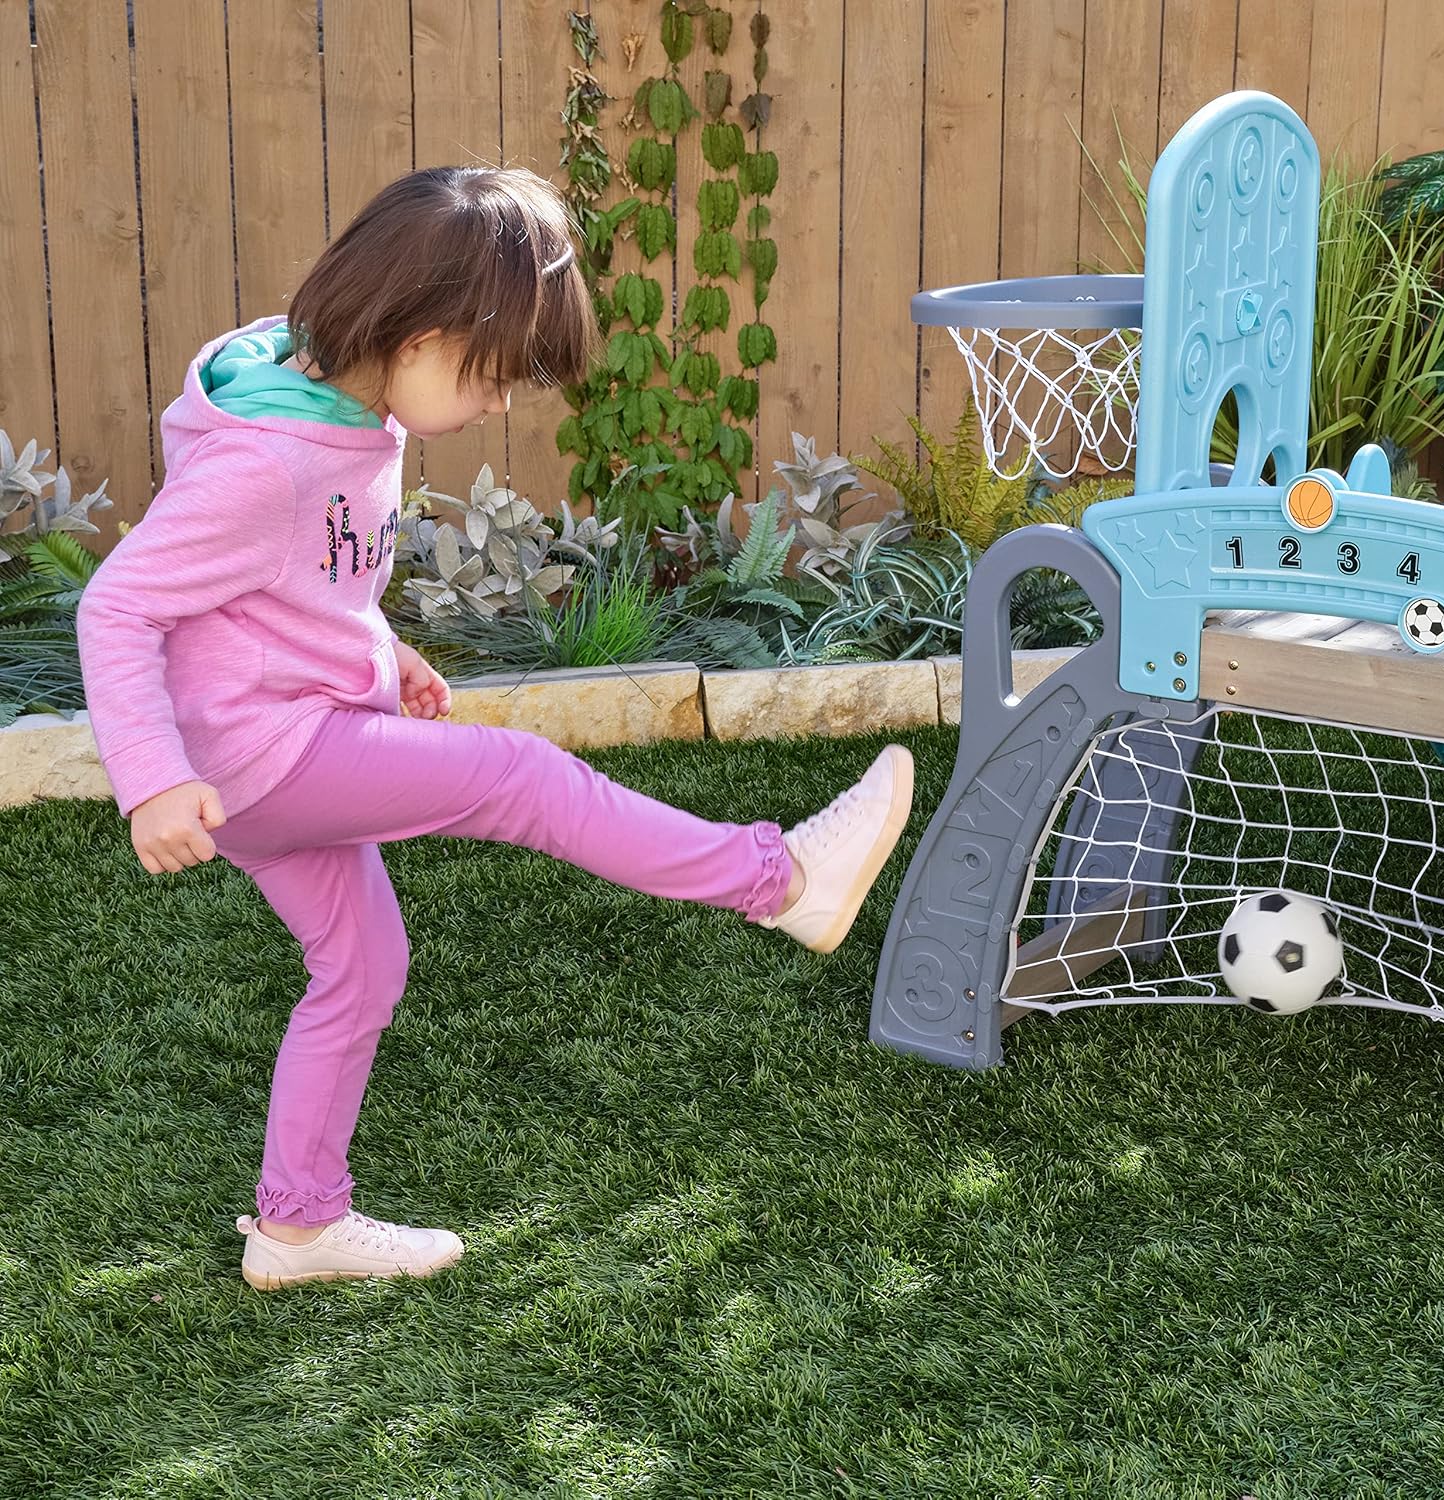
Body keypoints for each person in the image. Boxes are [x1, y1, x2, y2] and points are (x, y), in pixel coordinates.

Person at [76, 165, 915, 1292]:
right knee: (520, 776)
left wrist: (378, 651)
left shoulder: (317, 390)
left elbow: (282, 591)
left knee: (362, 969)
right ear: (418, 335)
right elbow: (120, 603)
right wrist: (150, 776)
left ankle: (298, 1226)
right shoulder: (260, 462)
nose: (501, 405)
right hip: (258, 762)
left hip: (286, 729)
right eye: (493, 375)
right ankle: (779, 880)